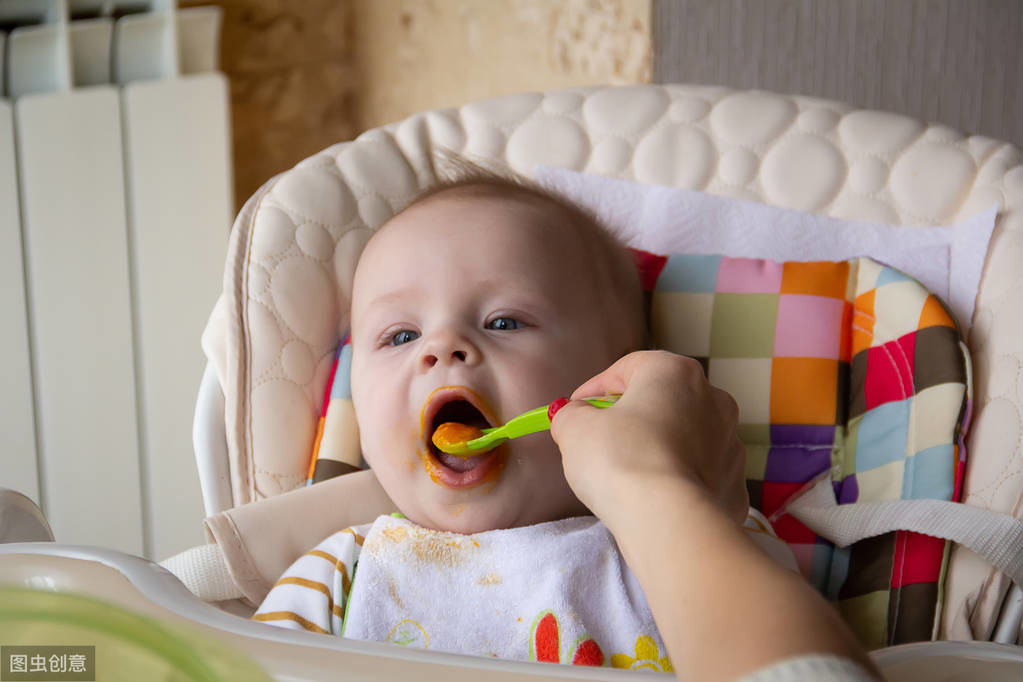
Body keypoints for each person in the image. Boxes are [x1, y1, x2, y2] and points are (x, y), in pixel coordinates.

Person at [252, 169, 880, 680]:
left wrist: (670, 494)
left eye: (504, 322)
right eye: (400, 335)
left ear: (611, 386)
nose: (442, 348)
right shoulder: (341, 575)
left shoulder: (698, 528)